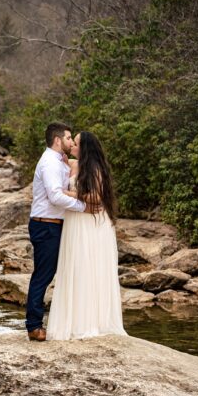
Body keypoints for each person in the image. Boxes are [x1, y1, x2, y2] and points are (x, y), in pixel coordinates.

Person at [46, 130, 127, 340]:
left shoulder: (95, 169)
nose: (72, 145)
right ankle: (71, 321)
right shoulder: (72, 164)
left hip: (90, 224)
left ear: (85, 148)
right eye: (72, 141)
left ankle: (90, 322)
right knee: (74, 267)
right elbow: (56, 166)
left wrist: (69, 194)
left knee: (88, 268)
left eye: (76, 143)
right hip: (75, 222)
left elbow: (96, 197)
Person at [26, 122, 87, 342]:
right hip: (46, 225)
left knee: (54, 273)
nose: (71, 142)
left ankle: (61, 321)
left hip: (55, 224)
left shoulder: (58, 161)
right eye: (69, 138)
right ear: (58, 140)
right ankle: (33, 326)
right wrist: (84, 207)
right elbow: (55, 197)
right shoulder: (49, 163)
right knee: (43, 275)